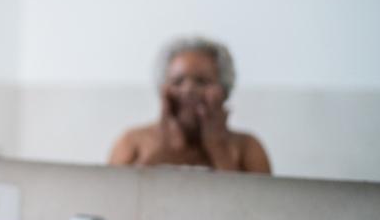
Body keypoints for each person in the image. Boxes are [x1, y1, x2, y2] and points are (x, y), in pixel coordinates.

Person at [109, 36, 271, 173]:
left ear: (225, 90)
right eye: (177, 81)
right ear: (162, 90)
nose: (188, 90)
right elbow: (115, 201)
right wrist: (165, 149)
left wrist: (218, 149)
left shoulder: (248, 147)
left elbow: (257, 206)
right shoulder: (132, 142)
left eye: (202, 81)